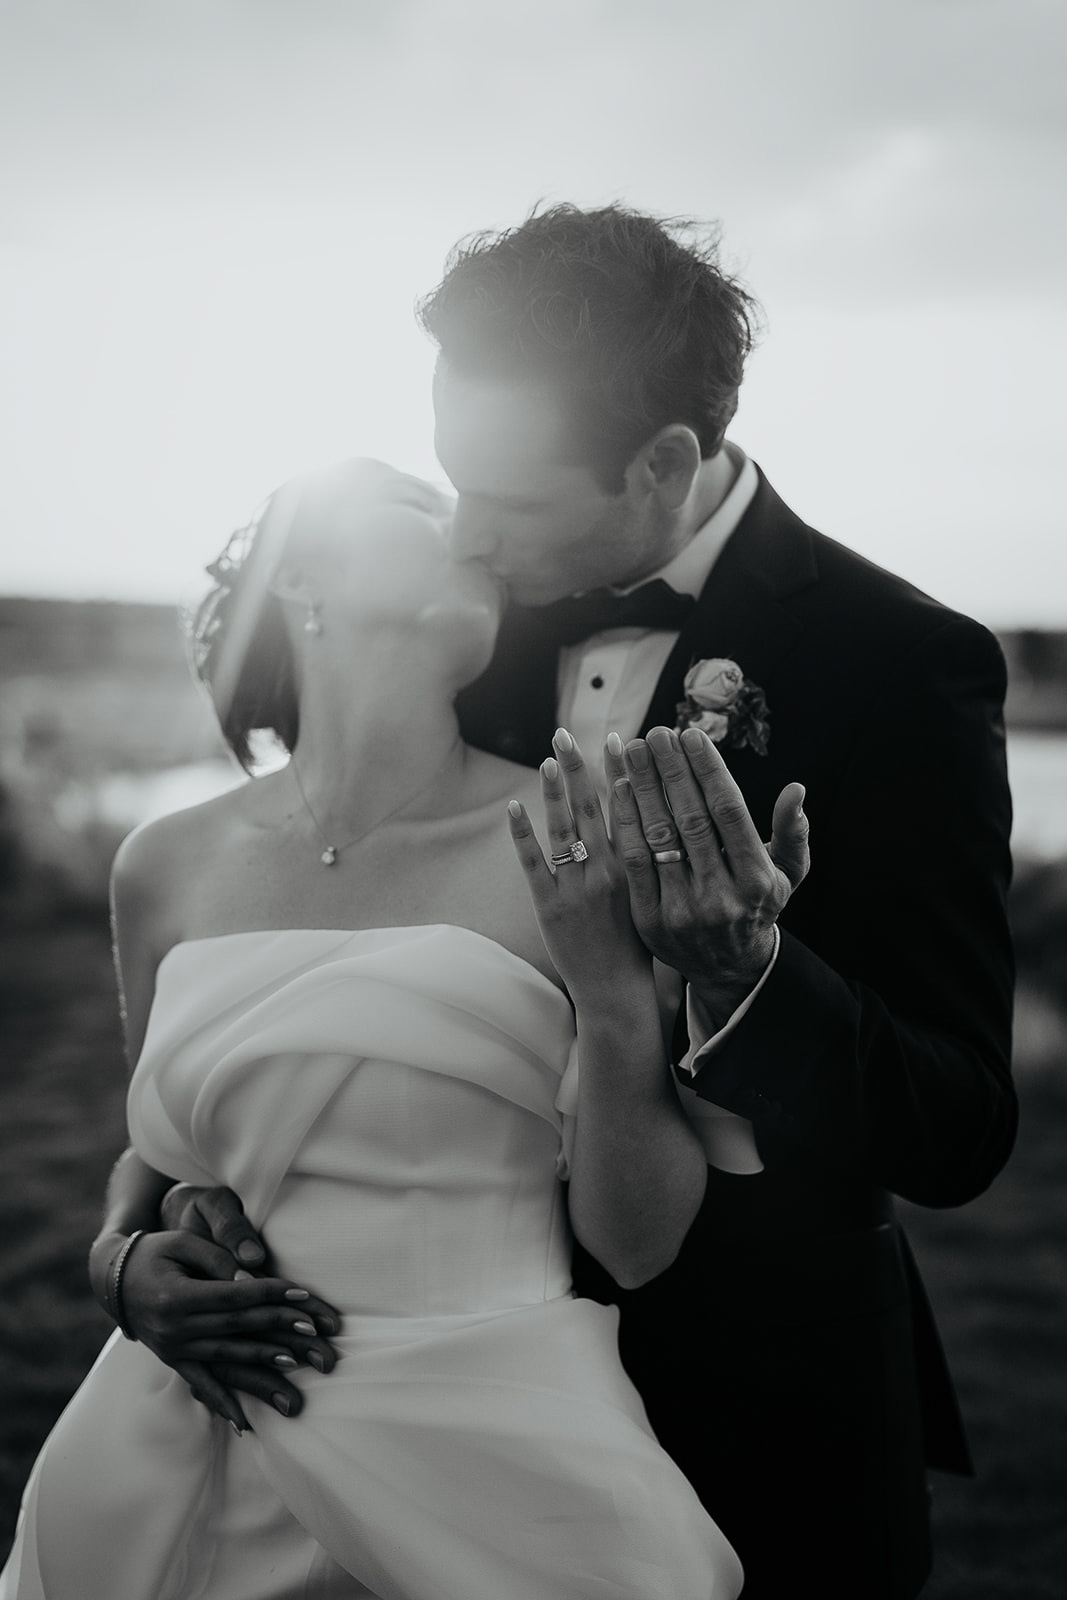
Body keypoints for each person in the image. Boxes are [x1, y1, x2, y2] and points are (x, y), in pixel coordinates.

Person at [38, 205, 1015, 1598]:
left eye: (502, 500)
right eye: (446, 486)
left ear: (659, 462)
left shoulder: (898, 665)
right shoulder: (466, 629)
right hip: (323, 1393)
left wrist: (744, 976)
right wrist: (123, 1258)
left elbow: (958, 1119)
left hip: (752, 1393)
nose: (470, 534)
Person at [0, 458, 758, 1599]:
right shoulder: (163, 864)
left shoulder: (573, 833)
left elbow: (638, 1245)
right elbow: (159, 1157)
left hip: (490, 1451)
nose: (469, 532)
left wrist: (613, 997)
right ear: (301, 578)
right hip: (191, 1433)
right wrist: (119, 1263)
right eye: (418, 509)